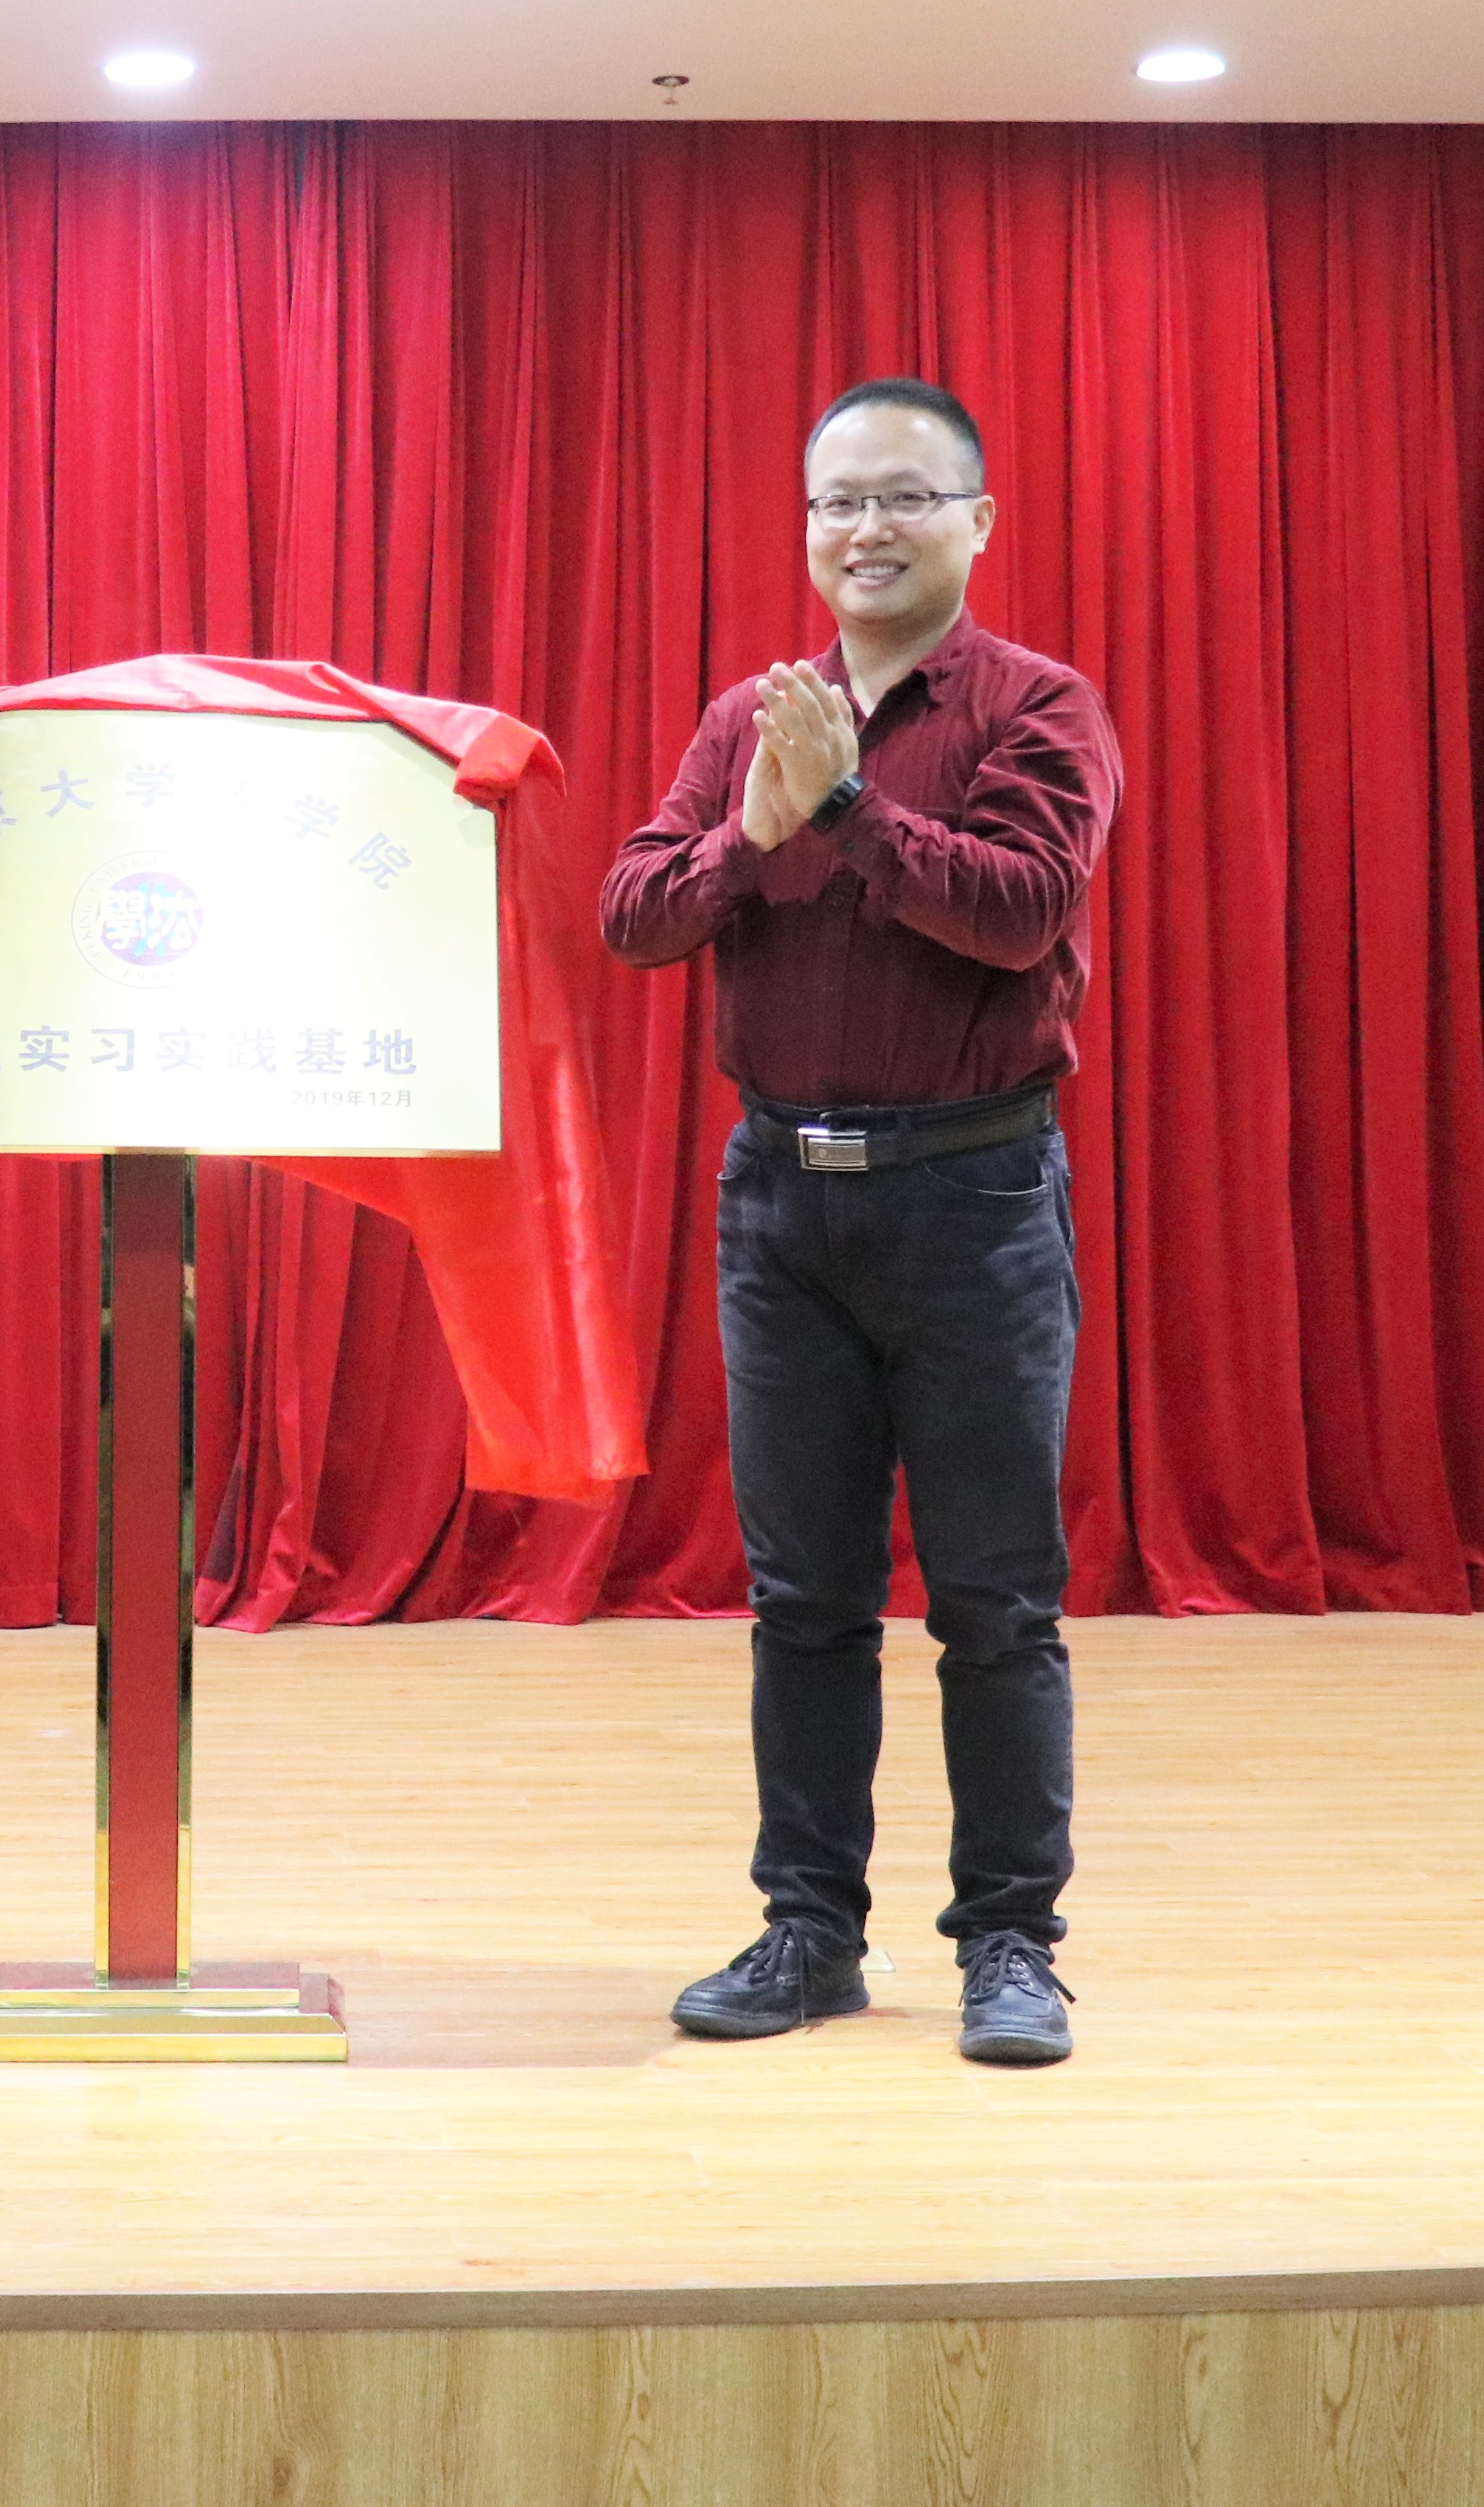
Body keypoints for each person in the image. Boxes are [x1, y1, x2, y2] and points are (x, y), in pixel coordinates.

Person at [599, 378, 1124, 2067]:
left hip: (973, 1197)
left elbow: (1020, 909)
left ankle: (1012, 1945)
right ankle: (810, 1932)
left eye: (904, 497)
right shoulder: (749, 719)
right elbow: (631, 914)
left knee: (994, 1602)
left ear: (977, 521)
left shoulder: (1041, 708)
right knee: (803, 1599)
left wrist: (842, 814)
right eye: (837, 503)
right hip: (783, 1207)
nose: (866, 531)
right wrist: (751, 836)